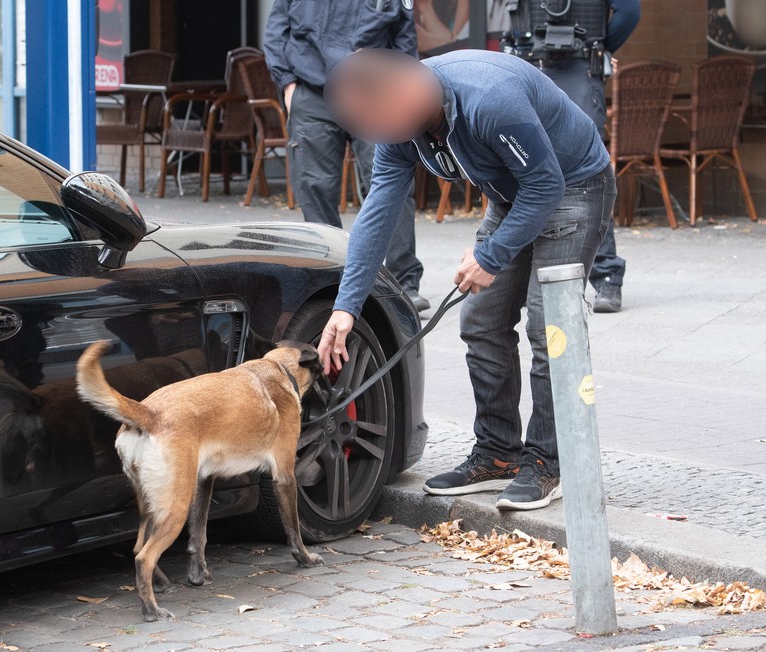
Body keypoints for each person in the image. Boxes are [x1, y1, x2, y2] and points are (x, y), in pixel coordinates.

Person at [318, 48, 616, 510]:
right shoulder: (399, 126)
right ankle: (497, 454)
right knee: (480, 322)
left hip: (572, 185)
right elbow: (378, 212)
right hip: (511, 195)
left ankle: (549, 462)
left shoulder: (488, 97)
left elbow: (546, 185)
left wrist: (491, 256)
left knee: (548, 329)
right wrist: (346, 306)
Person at [263, 0, 430, 312]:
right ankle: (330, 280)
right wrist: (287, 85)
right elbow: (276, 34)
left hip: (374, 93)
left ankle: (403, 283)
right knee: (315, 187)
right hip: (312, 92)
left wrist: (403, 91)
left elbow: (404, 39)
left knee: (390, 184)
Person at [502, 0, 641, 312]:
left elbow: (630, 14)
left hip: (552, 65)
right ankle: (597, 278)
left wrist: (599, 47)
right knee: (565, 172)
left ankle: (604, 275)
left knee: (581, 172)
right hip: (553, 65)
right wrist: (599, 47)